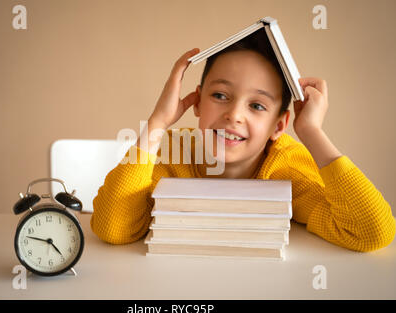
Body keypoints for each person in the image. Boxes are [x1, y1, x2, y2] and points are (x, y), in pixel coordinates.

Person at [90, 29, 395, 252]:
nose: (234, 115)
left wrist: (312, 133)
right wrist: (156, 122)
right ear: (197, 103)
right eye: (220, 96)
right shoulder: (172, 154)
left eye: (257, 105)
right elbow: (112, 229)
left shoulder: (286, 168)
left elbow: (371, 232)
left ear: (279, 125)